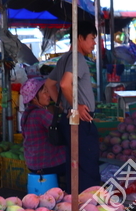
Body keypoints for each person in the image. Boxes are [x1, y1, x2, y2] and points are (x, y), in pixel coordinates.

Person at [45, 21, 101, 192]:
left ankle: (75, 203)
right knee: (87, 166)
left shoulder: (64, 58)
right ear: (80, 38)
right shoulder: (77, 58)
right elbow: (63, 84)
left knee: (76, 164)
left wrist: (65, 108)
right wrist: (75, 107)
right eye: (92, 38)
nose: (94, 43)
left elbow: (49, 84)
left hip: (71, 118)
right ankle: (87, 207)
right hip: (81, 121)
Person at [20, 77, 66, 181]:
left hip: (32, 163)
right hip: (47, 164)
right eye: (45, 92)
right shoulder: (40, 113)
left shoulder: (26, 114)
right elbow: (61, 129)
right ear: (34, 98)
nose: (49, 95)